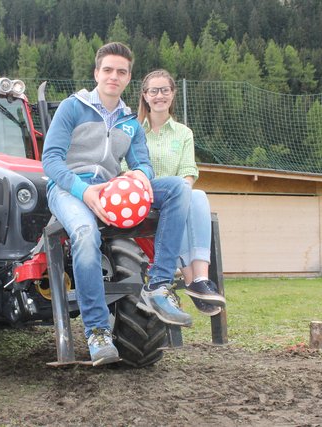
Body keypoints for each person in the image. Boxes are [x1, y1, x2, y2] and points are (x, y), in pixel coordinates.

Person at [43, 42, 201, 366]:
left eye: (122, 71)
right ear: (96, 73)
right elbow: (50, 161)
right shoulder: (72, 108)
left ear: (129, 78)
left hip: (113, 189)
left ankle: (158, 286)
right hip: (68, 188)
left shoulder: (130, 120)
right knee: (86, 235)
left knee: (177, 190)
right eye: (108, 70)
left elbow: (141, 162)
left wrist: (142, 176)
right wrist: (83, 191)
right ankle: (98, 331)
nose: (114, 76)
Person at [137, 69, 226, 316]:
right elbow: (127, 169)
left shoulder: (183, 133)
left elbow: (188, 170)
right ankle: (191, 280)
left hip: (176, 198)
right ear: (145, 96)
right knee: (184, 195)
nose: (159, 96)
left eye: (165, 90)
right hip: (145, 196)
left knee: (196, 195)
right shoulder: (135, 131)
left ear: (173, 94)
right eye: (153, 91)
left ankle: (199, 279)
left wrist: (183, 191)